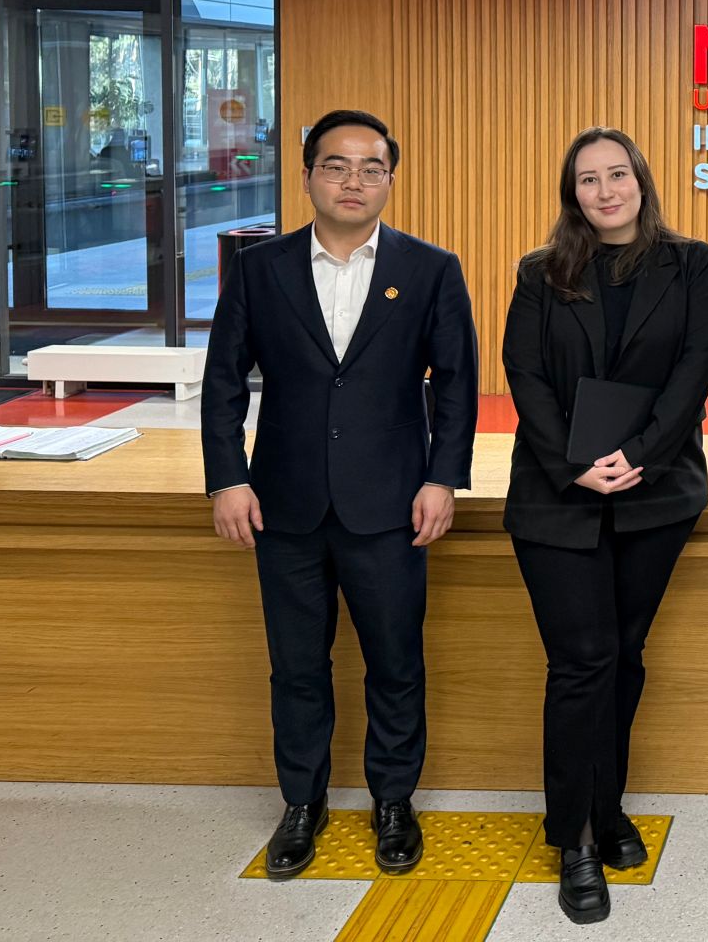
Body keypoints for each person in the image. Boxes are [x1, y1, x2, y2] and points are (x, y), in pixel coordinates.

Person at [203, 109, 478, 880]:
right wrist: (227, 476)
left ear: (390, 179)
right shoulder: (261, 269)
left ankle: (394, 800)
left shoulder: (430, 269)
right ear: (306, 176)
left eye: (370, 168)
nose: (353, 181)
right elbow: (223, 381)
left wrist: (442, 477)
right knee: (296, 666)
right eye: (336, 165)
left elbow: (457, 383)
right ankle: (303, 803)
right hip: (282, 503)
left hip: (391, 502)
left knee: (395, 662)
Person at [501, 127, 708, 925]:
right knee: (582, 662)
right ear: (573, 193)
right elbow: (524, 373)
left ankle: (606, 804)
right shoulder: (541, 272)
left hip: (653, 493)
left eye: (617, 174)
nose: (605, 190)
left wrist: (639, 455)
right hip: (557, 494)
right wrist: (575, 463)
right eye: (588, 179)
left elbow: (695, 368)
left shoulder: (691, 264)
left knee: (623, 657)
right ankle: (577, 839)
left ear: (641, 180)